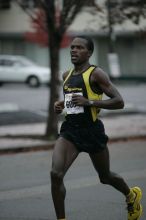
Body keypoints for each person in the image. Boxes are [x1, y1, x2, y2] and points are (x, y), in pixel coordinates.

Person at [50, 36, 142, 220]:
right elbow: (74, 100)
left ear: (89, 52)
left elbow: (119, 102)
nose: (74, 50)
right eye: (72, 47)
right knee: (55, 174)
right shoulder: (66, 75)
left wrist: (89, 102)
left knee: (105, 177)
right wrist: (61, 103)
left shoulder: (96, 73)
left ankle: (131, 195)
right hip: (70, 130)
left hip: (92, 131)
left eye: (79, 48)